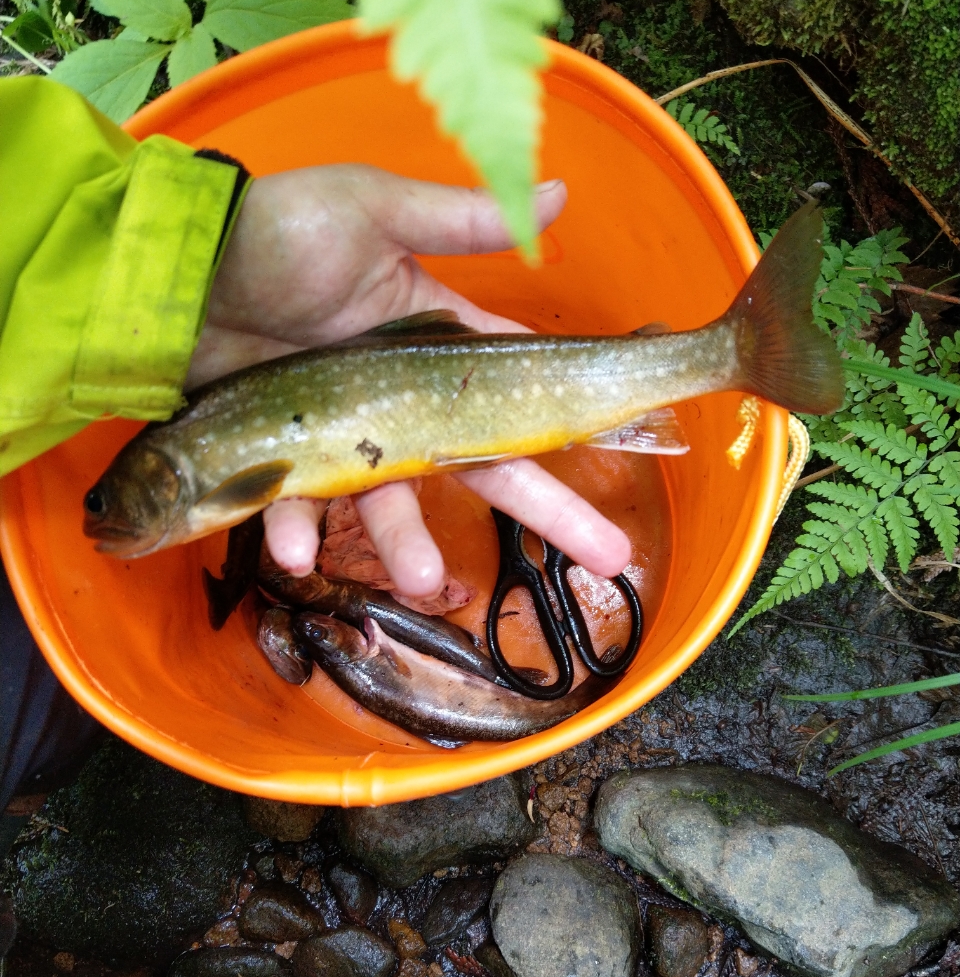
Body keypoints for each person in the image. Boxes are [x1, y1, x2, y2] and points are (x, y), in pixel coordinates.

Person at [0, 76, 630, 807]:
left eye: (106, 500)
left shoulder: (201, 468)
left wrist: (196, 270)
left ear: (157, 476)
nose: (102, 519)